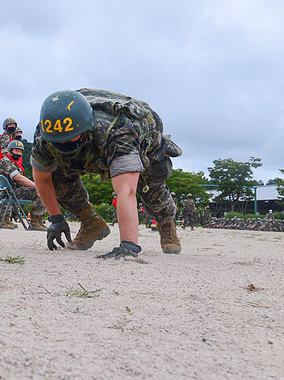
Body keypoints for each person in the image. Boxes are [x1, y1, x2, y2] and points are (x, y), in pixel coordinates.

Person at [31, 89, 182, 259]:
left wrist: (128, 245)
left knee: (149, 187)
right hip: (90, 147)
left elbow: (126, 191)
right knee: (57, 176)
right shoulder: (46, 136)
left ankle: (166, 224)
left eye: (69, 137)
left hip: (144, 145)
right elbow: (43, 179)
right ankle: (91, 223)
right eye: (59, 140)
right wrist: (56, 219)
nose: (63, 143)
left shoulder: (119, 132)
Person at [0, 139, 46, 230]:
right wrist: (38, 186)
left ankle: (5, 220)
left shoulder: (10, 162)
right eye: (16, 150)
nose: (19, 153)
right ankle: (35, 222)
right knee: (40, 191)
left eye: (20, 151)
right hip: (11, 192)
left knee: (38, 189)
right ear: (10, 151)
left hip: (9, 192)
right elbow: (20, 179)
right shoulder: (6, 162)